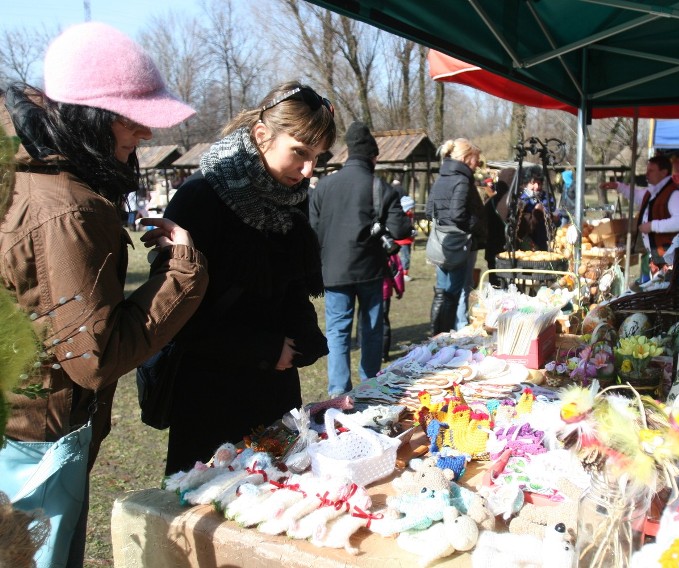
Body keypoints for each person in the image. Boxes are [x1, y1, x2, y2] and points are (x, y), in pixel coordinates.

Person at [0, 22, 208, 567]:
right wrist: (183, 272)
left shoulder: (26, 175)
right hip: (37, 440)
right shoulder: (68, 209)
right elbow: (94, 358)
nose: (141, 135)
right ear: (88, 117)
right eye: (130, 120)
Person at [162, 81, 335, 474]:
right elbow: (174, 315)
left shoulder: (290, 198)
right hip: (212, 394)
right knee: (207, 512)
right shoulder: (201, 198)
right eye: (300, 153)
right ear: (262, 136)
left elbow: (289, 285)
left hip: (274, 392)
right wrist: (264, 349)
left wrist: (303, 333)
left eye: (317, 158)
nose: (309, 169)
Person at [310, 121, 407, 397]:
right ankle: (370, 384)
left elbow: (312, 232)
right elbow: (401, 230)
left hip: (334, 272)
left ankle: (339, 391)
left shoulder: (324, 187)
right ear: (373, 157)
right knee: (372, 330)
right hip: (371, 271)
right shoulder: (381, 187)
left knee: (338, 332)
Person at [426, 138, 486, 334]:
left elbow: (429, 210)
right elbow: (458, 214)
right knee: (453, 292)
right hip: (457, 244)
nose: (477, 163)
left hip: (440, 243)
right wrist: (476, 225)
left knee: (440, 291)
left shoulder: (441, 177)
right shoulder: (462, 180)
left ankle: (436, 332)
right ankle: (446, 333)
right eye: (476, 158)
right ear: (467, 157)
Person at [601, 155, 679, 269]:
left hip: (672, 257)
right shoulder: (653, 191)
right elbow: (637, 195)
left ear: (663, 172)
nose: (647, 174)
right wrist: (618, 186)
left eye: (651, 171)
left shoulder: (675, 194)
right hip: (659, 256)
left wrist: (652, 226)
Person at [484, 167, 516, 285]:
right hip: (509, 250)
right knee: (512, 287)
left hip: (492, 249)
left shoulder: (490, 202)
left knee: (495, 284)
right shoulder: (513, 203)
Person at [518, 164, 558, 251]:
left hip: (545, 240)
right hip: (528, 243)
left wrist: (553, 216)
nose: (537, 187)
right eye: (533, 183)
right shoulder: (521, 200)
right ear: (525, 184)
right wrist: (536, 211)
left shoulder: (546, 197)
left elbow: (555, 216)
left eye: (539, 183)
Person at [382, 252, 406, 361]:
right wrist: (399, 289)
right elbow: (396, 269)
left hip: (368, 290)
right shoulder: (387, 244)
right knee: (383, 322)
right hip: (383, 290)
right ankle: (383, 354)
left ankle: (366, 348)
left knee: (366, 320)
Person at [397, 195, 417, 281]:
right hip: (403, 240)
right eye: (412, 207)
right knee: (405, 257)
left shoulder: (410, 215)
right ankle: (403, 274)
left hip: (408, 239)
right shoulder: (403, 216)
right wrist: (411, 231)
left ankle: (403, 273)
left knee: (406, 257)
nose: (413, 209)